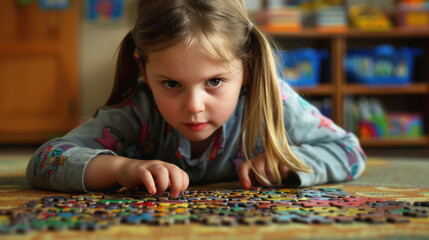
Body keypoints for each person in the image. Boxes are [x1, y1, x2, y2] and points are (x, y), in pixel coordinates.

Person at [26, 0, 366, 198]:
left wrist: (287, 164)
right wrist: (121, 168)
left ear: (246, 68)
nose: (194, 106)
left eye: (215, 81)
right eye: (172, 83)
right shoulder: (137, 109)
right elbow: (46, 161)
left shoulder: (270, 98)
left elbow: (349, 151)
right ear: (143, 71)